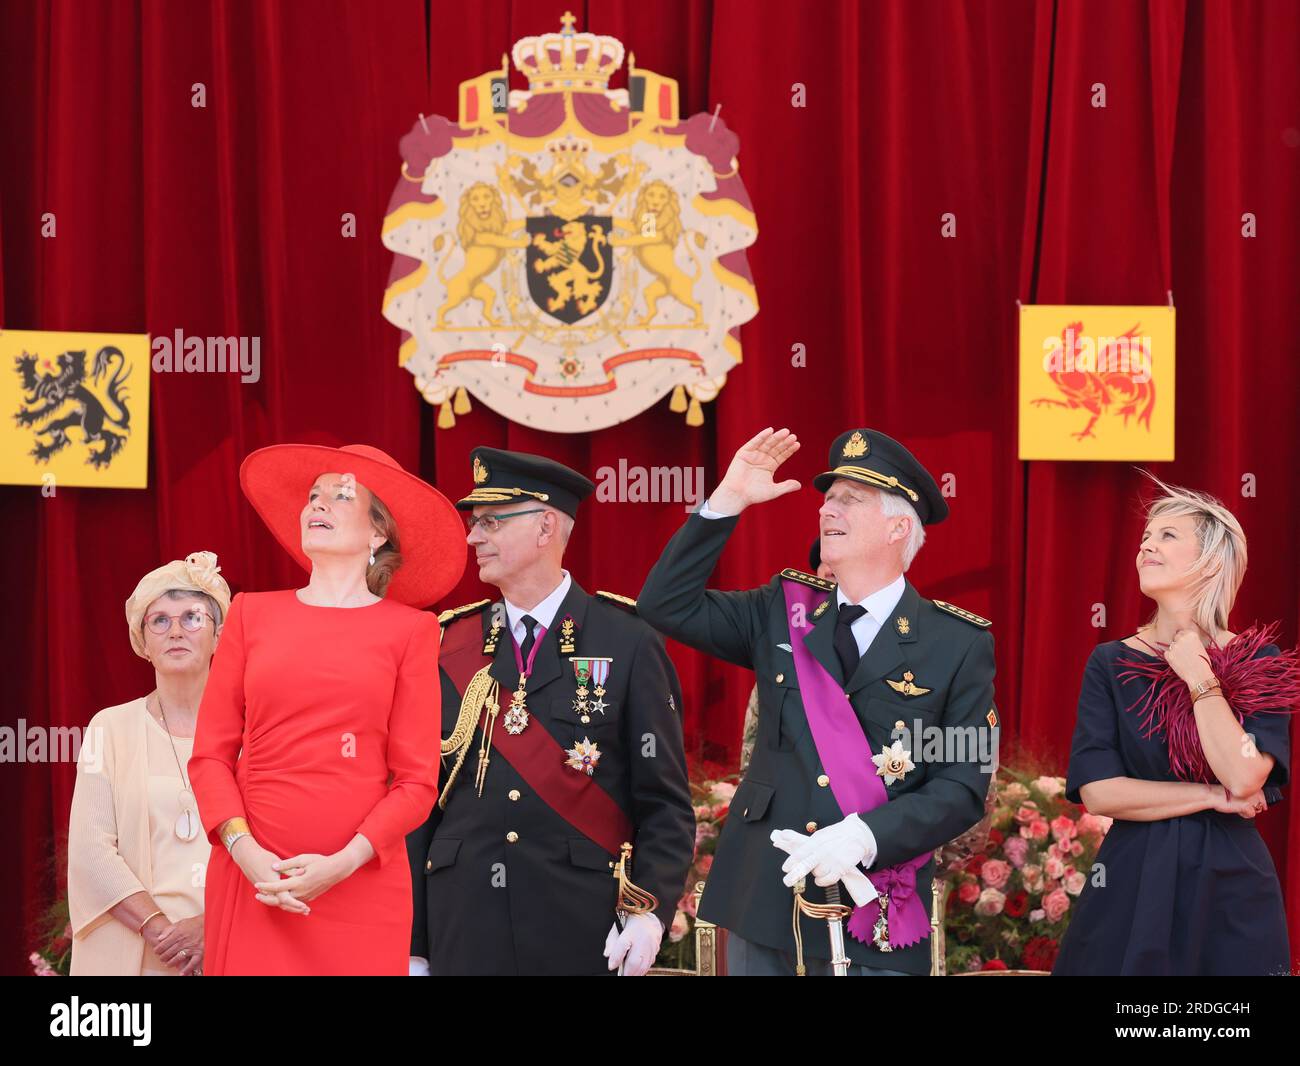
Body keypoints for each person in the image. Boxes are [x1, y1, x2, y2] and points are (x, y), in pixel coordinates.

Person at [639, 427, 999, 975]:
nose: (828, 508)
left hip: (873, 908)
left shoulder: (958, 644)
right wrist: (727, 501)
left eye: (850, 499)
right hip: (765, 901)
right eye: (827, 498)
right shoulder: (780, 610)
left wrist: (865, 835)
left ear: (899, 526)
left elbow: (961, 786)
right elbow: (663, 604)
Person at [408, 447, 695, 976]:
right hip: (464, 923)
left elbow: (664, 803)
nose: (473, 537)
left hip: (581, 924)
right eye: (474, 524)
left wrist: (648, 912)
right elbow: (419, 803)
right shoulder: (448, 643)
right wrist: (415, 944)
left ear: (545, 528)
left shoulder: (626, 640)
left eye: (491, 522)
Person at [189, 443, 465, 974]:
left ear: (377, 533)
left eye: (339, 496)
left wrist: (342, 864)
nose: (316, 505)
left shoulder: (411, 630)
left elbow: (416, 784)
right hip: (255, 880)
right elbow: (210, 758)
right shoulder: (250, 613)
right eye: (312, 496)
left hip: (359, 882)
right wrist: (245, 853)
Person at [1053, 477, 1296, 975]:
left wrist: (1199, 676)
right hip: (1131, 877)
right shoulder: (1109, 662)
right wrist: (1209, 797)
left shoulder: (1260, 661)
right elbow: (1099, 793)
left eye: (1167, 535)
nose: (1146, 544)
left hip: (1231, 883)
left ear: (1212, 559)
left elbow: (1246, 777)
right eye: (1146, 536)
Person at [68, 551, 231, 975]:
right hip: (138, 951)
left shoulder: (253, 732)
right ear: (143, 641)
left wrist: (209, 928)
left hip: (232, 944)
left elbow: (275, 848)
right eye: (160, 620)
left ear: (218, 636)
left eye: (193, 617)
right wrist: (163, 933)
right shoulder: (109, 727)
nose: (175, 631)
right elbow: (91, 852)